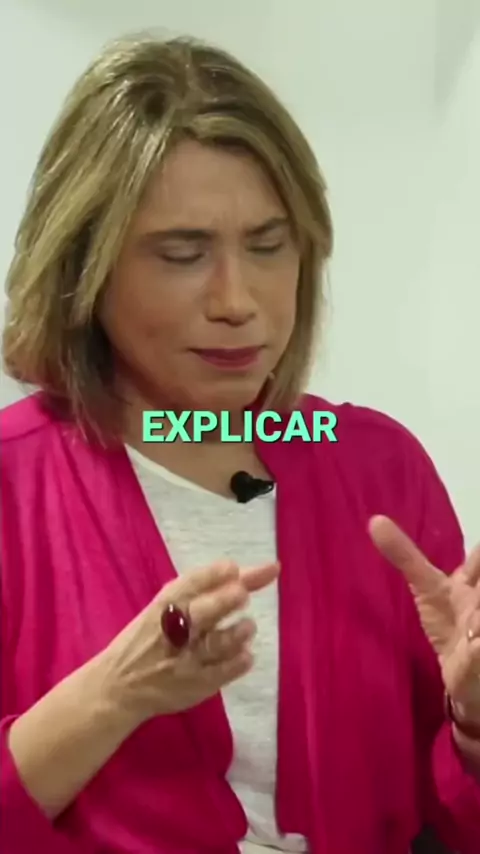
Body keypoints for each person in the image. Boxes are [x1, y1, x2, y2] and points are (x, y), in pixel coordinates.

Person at [0, 33, 479, 854]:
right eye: (183, 254)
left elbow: (451, 815)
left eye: (268, 246)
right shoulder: (15, 485)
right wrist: (113, 696)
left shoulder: (378, 467)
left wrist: (470, 725)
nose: (237, 300)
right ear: (84, 268)